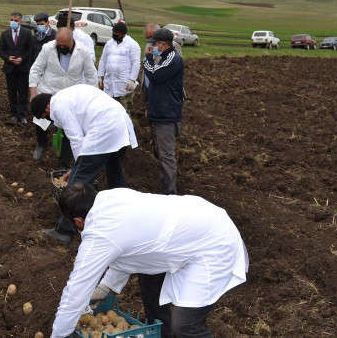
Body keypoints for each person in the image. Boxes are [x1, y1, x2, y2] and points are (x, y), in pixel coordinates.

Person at [50, 183, 249, 338]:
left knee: (187, 325)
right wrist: (105, 287)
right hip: (195, 217)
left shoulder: (99, 235)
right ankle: (162, 334)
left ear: (79, 221)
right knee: (148, 273)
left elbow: (76, 290)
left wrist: (58, 335)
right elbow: (129, 249)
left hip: (213, 242)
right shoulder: (109, 198)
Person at [30, 85, 137, 244]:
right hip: (119, 123)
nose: (49, 119)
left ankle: (64, 230)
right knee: (115, 171)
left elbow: (76, 139)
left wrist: (77, 168)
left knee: (77, 182)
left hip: (104, 127)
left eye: (45, 116)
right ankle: (126, 214)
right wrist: (78, 166)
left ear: (46, 107)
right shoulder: (67, 96)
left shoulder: (58, 106)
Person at [28, 28, 97, 164]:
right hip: (48, 91)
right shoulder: (48, 48)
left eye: (65, 46)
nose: (61, 48)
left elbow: (91, 76)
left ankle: (63, 162)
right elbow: (36, 69)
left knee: (69, 128)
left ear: (72, 41)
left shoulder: (83, 51)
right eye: (59, 45)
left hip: (71, 95)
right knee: (41, 120)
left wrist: (91, 99)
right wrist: (33, 93)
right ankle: (42, 144)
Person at [144, 28, 184, 195]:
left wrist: (147, 58)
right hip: (158, 113)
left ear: (163, 44)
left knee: (166, 155)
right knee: (161, 154)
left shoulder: (173, 59)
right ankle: (165, 188)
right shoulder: (163, 57)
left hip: (166, 115)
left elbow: (155, 75)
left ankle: (170, 193)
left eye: (154, 44)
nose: (152, 47)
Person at [97, 22, 141, 114]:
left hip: (124, 84)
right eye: (113, 33)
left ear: (123, 33)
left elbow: (136, 63)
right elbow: (103, 59)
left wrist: (132, 80)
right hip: (109, 83)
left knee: (124, 111)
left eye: (116, 34)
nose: (114, 35)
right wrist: (100, 76)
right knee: (108, 111)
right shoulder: (109, 43)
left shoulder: (132, 44)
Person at [0, 12, 33, 124]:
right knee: (12, 91)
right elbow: (1, 50)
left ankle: (21, 114)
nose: (13, 22)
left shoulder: (27, 33)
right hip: (10, 68)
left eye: (16, 20)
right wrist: (8, 58)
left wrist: (22, 59)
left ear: (20, 22)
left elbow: (30, 50)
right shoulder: (5, 34)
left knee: (23, 92)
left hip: (23, 68)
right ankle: (14, 113)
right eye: (11, 20)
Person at [142, 22, 182, 114]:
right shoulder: (149, 46)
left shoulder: (174, 50)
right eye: (147, 38)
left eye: (151, 38)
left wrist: (148, 59)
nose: (150, 41)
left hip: (164, 97)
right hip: (152, 92)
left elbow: (157, 74)